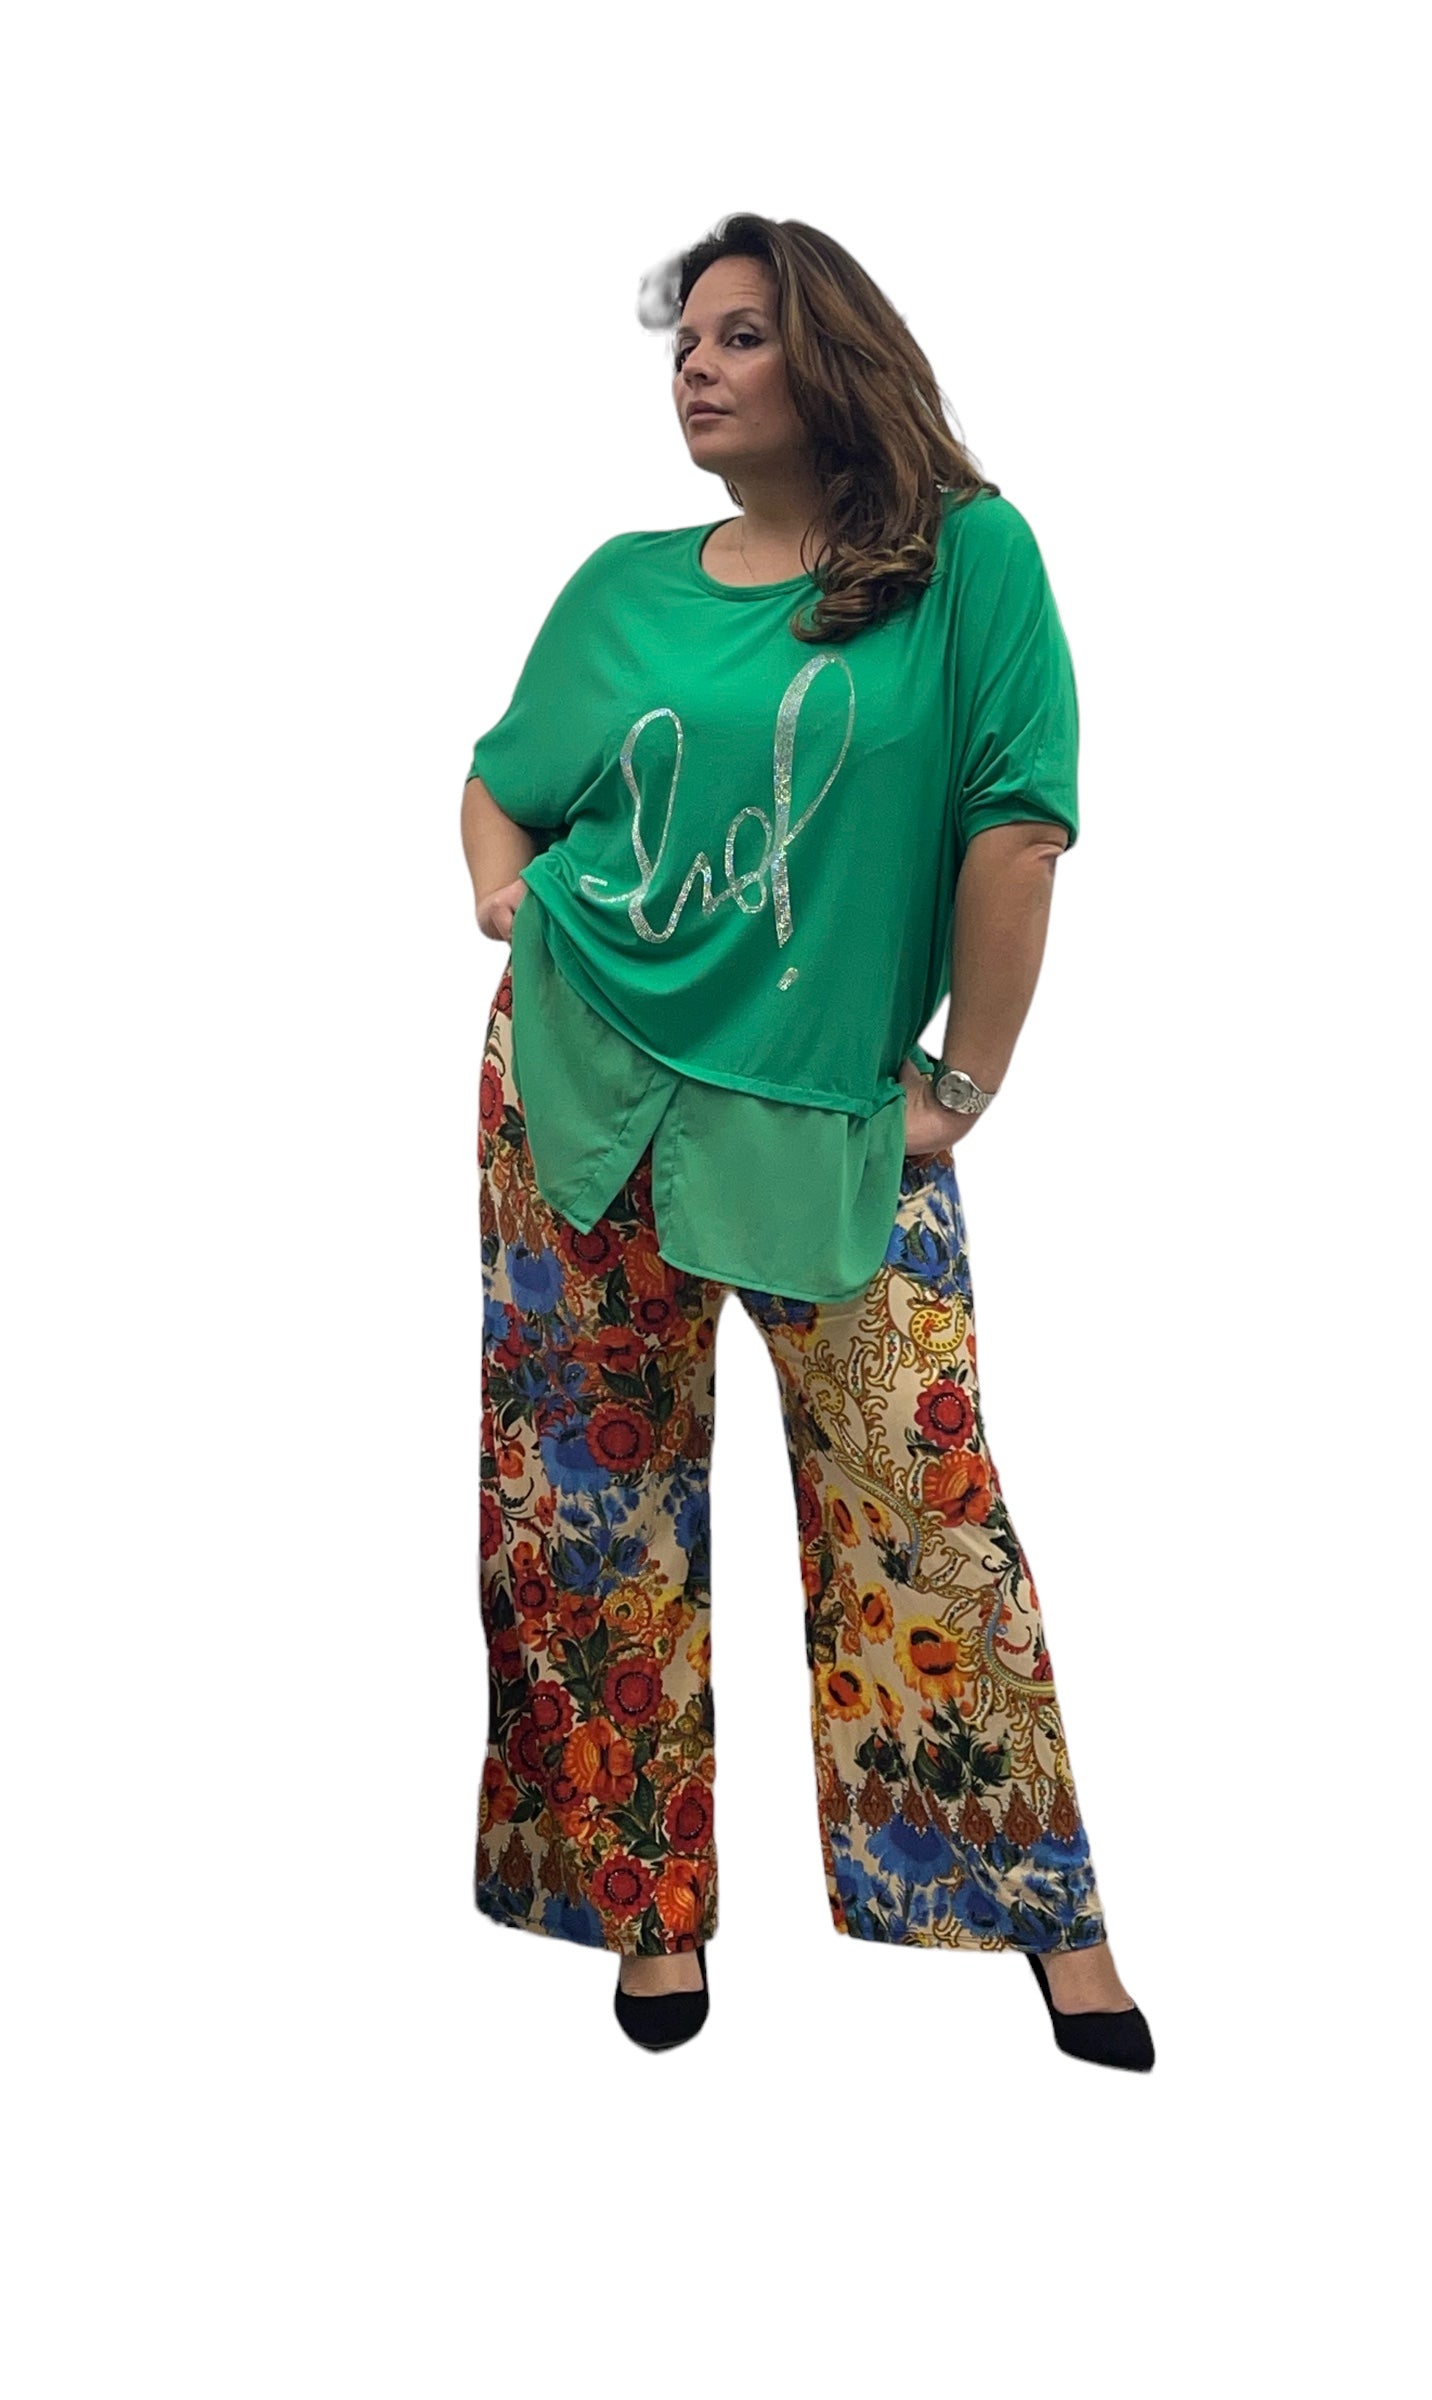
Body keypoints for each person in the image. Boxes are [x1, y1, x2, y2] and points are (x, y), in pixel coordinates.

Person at [460, 212, 1154, 2071]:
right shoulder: (622, 587)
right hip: (582, 1100)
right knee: (586, 1513)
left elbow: (1017, 829)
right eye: (684, 339)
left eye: (742, 334)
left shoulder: (969, 559)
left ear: (834, 355)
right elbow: (503, 785)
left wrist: (966, 1087)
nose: (697, 365)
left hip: (832, 1122)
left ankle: (1041, 1912)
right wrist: (510, 903)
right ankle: (644, 1910)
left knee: (922, 1506)